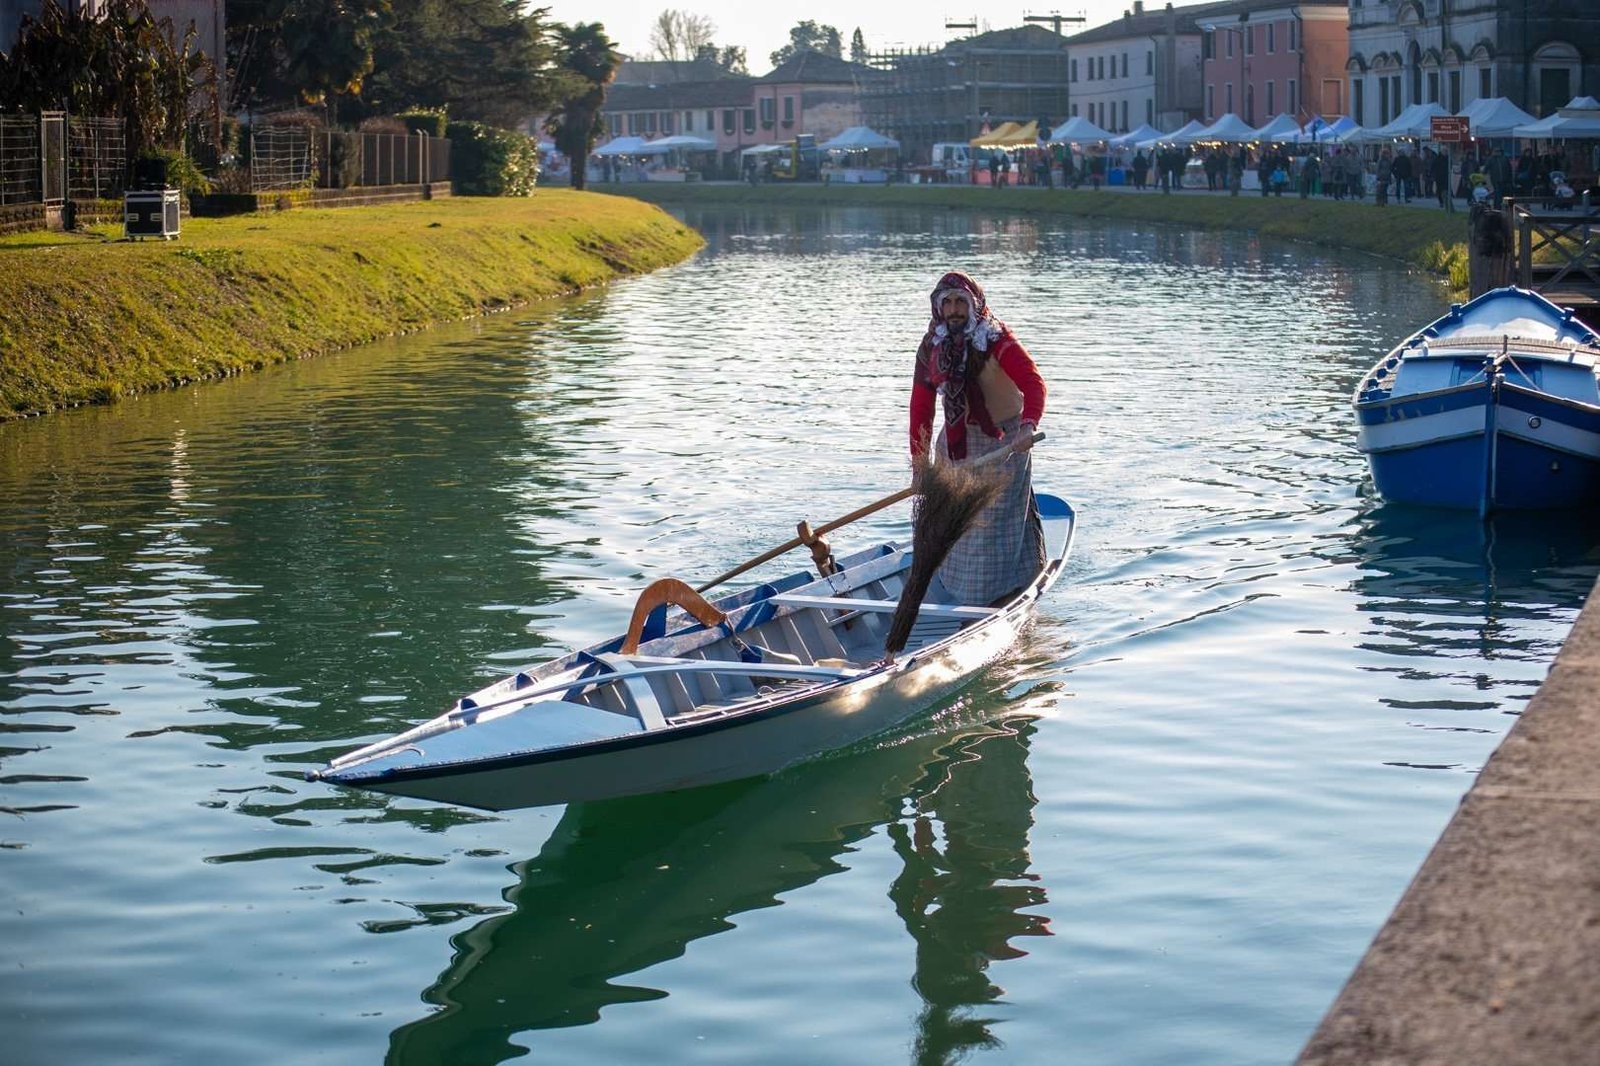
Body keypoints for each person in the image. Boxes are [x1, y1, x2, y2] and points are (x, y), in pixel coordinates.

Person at [908, 271, 1047, 606]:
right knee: (950, 523)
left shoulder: (997, 340)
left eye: (961, 302)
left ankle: (986, 600)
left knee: (989, 525)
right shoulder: (932, 347)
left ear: (973, 306)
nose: (954, 310)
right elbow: (921, 408)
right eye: (948, 303)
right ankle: (952, 592)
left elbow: (1033, 384)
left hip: (1004, 444)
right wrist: (920, 465)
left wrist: (1028, 426)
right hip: (954, 445)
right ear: (939, 308)